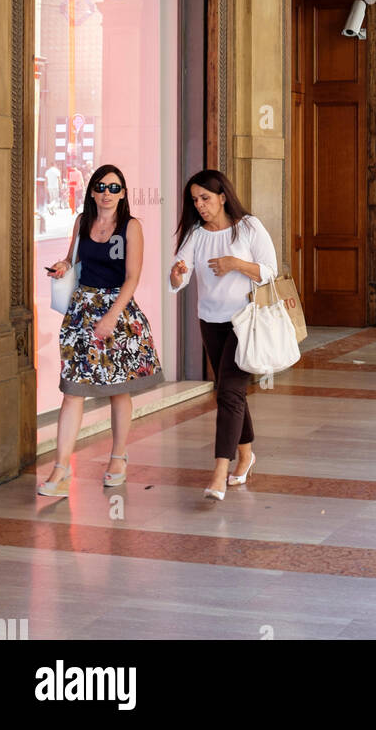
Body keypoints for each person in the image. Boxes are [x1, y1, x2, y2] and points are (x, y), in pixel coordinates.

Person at [38, 164, 162, 498]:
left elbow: (132, 277)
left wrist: (111, 317)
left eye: (114, 188)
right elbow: (72, 259)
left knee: (119, 389)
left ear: (123, 194)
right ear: (92, 191)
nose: (107, 193)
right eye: (101, 187)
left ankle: (118, 457)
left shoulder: (131, 227)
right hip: (82, 310)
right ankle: (61, 468)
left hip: (117, 311)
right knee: (73, 390)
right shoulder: (82, 222)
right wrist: (63, 266)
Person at [170, 169, 278, 500]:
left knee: (229, 393)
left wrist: (235, 263)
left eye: (205, 198)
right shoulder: (195, 236)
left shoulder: (248, 227)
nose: (200, 205)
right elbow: (178, 280)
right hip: (210, 322)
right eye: (194, 200)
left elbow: (270, 271)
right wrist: (177, 275)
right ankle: (246, 454)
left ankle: (219, 470)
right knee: (231, 392)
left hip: (245, 320)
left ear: (222, 196)